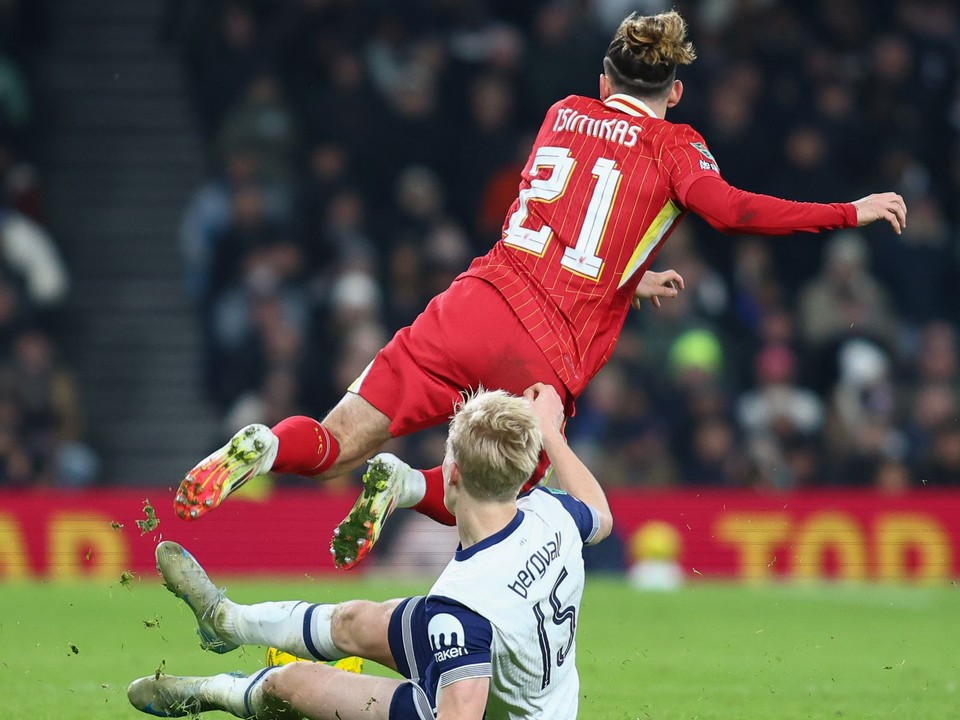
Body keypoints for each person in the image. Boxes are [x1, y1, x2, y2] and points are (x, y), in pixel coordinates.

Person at [174, 9, 907, 569]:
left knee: (335, 442)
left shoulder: (563, 113)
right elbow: (733, 211)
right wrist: (848, 211)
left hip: (473, 300)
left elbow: (568, 220)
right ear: (675, 92)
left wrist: (628, 276)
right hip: (539, 349)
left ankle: (265, 445)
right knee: (503, 490)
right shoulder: (676, 146)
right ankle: (400, 488)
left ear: (602, 82)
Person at [129, 384, 613, 720]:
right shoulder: (551, 513)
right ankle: (223, 621)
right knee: (354, 621)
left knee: (292, 683)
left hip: (472, 702)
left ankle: (210, 693)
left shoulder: (462, 608)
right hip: (511, 663)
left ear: (454, 476)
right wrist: (551, 431)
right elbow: (601, 514)